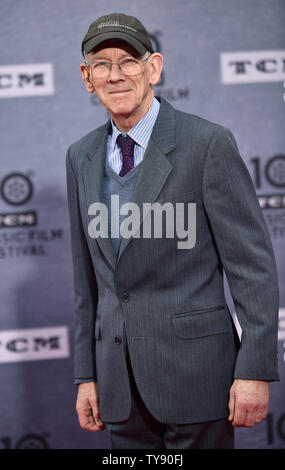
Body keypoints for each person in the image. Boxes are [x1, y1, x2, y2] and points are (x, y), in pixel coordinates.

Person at [66, 12, 279, 449]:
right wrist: (86, 375)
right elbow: (86, 282)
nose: (116, 74)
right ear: (87, 77)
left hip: (198, 380)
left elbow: (252, 267)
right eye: (102, 64)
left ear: (154, 68)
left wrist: (255, 369)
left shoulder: (207, 143)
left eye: (128, 60)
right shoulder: (80, 156)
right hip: (118, 388)